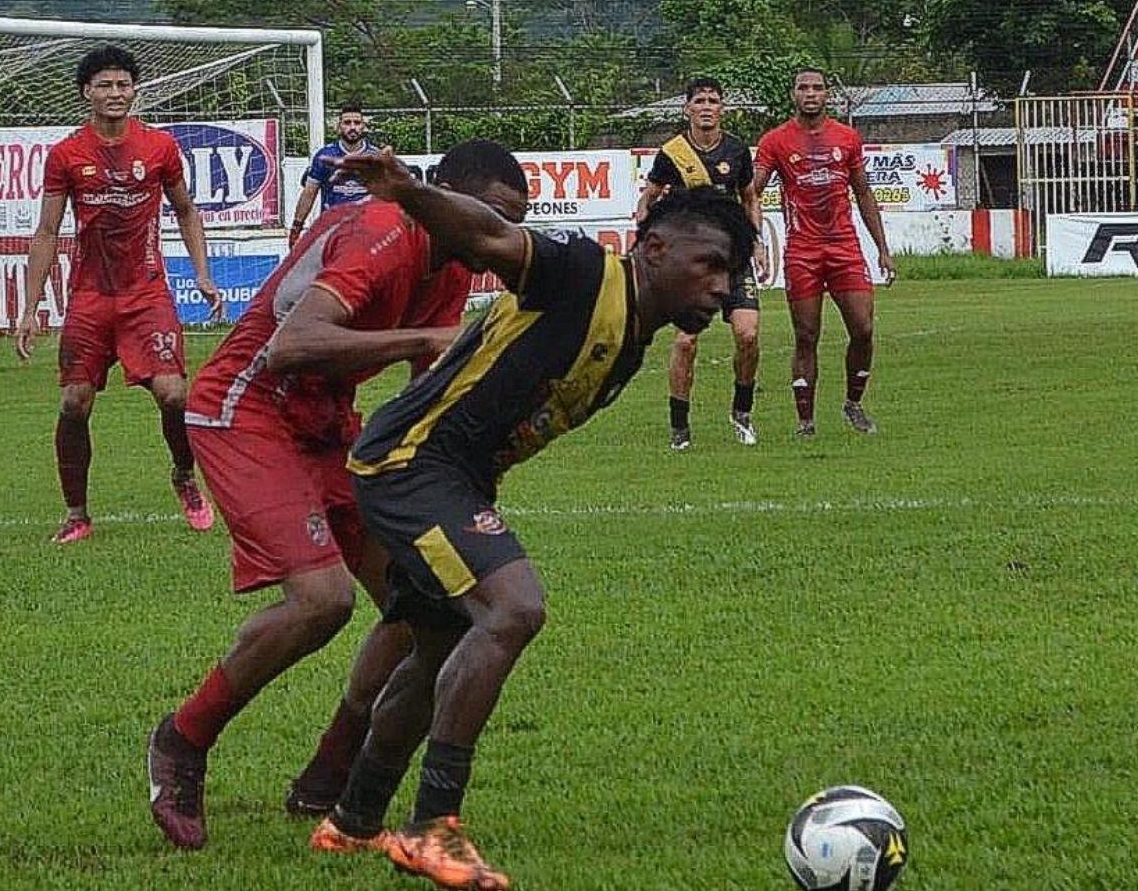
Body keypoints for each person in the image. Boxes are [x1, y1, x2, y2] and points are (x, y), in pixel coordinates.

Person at [306, 147, 757, 891]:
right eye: (709, 264)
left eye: (732, 275)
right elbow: (493, 238)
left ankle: (352, 822)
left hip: (447, 477)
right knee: (514, 610)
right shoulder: (586, 275)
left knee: (437, 647)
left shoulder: (636, 331)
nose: (719, 287)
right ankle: (431, 829)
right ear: (653, 245)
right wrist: (409, 191)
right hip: (413, 466)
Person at [145, 141, 530, 852]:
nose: (498, 236)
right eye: (491, 216)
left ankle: (327, 776)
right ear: (441, 195)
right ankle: (182, 739)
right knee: (322, 600)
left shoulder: (454, 257)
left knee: (431, 604)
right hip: (247, 406)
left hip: (328, 424)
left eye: (512, 224)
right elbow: (292, 346)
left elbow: (426, 379)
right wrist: (430, 335)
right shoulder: (379, 232)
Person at [14, 44, 221, 543]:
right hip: (89, 298)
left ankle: (183, 475)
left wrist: (203, 273)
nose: (115, 93)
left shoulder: (159, 148)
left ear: (134, 90)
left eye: (123, 84)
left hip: (146, 295)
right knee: (74, 403)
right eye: (105, 85)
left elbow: (187, 211)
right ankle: (77, 514)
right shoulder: (67, 154)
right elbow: (46, 232)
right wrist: (30, 306)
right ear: (87, 92)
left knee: (174, 393)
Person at [752, 67, 896, 436]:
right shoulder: (776, 141)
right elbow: (751, 192)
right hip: (803, 250)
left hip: (845, 247)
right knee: (806, 335)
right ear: (793, 94)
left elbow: (863, 192)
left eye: (817, 88)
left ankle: (853, 403)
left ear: (826, 94)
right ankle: (806, 421)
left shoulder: (846, 137)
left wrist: (882, 247)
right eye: (803, 88)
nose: (810, 94)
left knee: (863, 329)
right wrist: (753, 238)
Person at [635, 77, 768, 450]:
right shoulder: (672, 153)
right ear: (687, 108)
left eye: (713, 100)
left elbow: (750, 198)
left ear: (722, 108)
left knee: (748, 334)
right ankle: (680, 427)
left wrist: (756, 242)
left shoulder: (738, 151)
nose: (707, 106)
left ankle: (742, 412)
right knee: (686, 341)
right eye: (700, 101)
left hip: (732, 256)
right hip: (690, 264)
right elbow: (648, 198)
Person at [289, 102, 379, 247]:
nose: (352, 127)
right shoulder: (325, 156)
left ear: (363, 127)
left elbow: (388, 196)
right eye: (347, 123)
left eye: (357, 123)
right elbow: (309, 193)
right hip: (333, 229)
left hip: (366, 230)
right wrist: (296, 227)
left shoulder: (375, 157)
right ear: (339, 127)